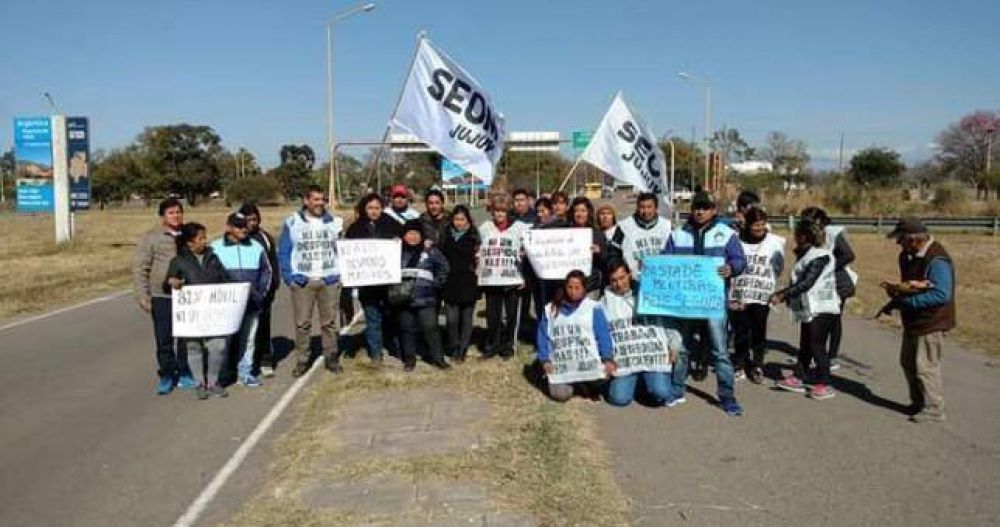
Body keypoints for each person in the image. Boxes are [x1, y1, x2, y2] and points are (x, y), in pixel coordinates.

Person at [661, 191, 746, 416]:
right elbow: (664, 260)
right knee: (682, 347)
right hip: (684, 303)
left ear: (714, 210)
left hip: (714, 301)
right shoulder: (678, 234)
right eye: (697, 207)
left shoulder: (726, 234)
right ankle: (677, 390)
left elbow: (739, 260)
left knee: (720, 350)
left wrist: (731, 268)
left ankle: (727, 397)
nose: (700, 211)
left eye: (705, 207)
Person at [877, 218, 955, 423]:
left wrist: (908, 303)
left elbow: (941, 295)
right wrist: (895, 298)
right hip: (913, 321)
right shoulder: (907, 256)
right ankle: (919, 402)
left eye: (900, 239)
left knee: (926, 366)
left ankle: (934, 409)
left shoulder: (937, 260)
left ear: (913, 240)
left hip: (932, 322)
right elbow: (912, 286)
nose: (898, 244)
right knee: (908, 363)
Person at [277, 186, 346, 377]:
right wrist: (289, 277)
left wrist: (340, 274)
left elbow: (344, 249)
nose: (320, 203)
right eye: (315, 200)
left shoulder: (335, 222)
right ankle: (303, 360)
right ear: (306, 201)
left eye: (322, 200)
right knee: (303, 324)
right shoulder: (292, 222)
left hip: (329, 279)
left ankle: (331, 357)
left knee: (329, 323)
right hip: (303, 281)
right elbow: (284, 251)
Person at [770, 218, 839, 400]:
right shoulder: (806, 254)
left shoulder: (820, 256)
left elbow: (807, 283)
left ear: (803, 236)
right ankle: (800, 376)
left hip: (822, 308)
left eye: (797, 234)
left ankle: (825, 383)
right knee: (806, 344)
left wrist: (783, 294)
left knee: (817, 346)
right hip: (809, 308)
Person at [133, 198, 193, 395]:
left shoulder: (189, 234)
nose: (176, 216)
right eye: (171, 213)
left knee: (186, 338)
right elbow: (141, 268)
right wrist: (143, 296)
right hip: (161, 296)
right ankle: (167, 374)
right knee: (164, 339)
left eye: (178, 212)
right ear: (162, 217)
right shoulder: (151, 238)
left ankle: (185, 371)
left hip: (187, 296)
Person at [166, 222, 230, 399]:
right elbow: (169, 281)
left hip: (213, 312)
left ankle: (213, 381)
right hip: (192, 315)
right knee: (194, 347)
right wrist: (173, 282)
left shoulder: (214, 258)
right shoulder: (178, 261)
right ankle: (199, 383)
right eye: (200, 238)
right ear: (189, 242)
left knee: (218, 345)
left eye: (204, 237)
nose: (204, 241)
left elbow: (225, 279)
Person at [602, 262, 680, 406]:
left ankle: (648, 382)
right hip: (625, 362)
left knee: (661, 393)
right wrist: (606, 359)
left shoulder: (649, 293)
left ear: (629, 275)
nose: (619, 284)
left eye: (622, 278)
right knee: (619, 399)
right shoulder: (604, 303)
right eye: (614, 280)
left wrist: (674, 346)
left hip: (653, 358)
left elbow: (668, 321)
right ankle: (633, 382)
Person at [211, 212, 273, 387]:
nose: (243, 229)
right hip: (226, 305)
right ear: (229, 227)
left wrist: (260, 294)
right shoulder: (215, 248)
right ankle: (221, 375)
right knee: (224, 342)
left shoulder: (256, 247)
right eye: (238, 226)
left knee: (249, 339)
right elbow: (210, 275)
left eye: (245, 225)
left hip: (252, 303)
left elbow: (266, 273)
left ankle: (244, 372)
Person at [537, 270, 615, 402]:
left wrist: (607, 358)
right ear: (564, 287)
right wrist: (545, 360)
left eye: (577, 288)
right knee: (560, 395)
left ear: (584, 288)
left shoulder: (593, 307)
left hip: (587, 362)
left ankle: (583, 383)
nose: (573, 291)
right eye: (570, 287)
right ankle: (575, 383)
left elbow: (603, 335)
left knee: (604, 378)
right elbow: (543, 336)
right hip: (562, 365)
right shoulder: (551, 309)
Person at [728, 206, 785, 383]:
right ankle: (740, 363)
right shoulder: (736, 240)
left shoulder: (774, 242)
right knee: (741, 331)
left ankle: (757, 364)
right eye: (755, 225)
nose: (759, 228)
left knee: (759, 330)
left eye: (762, 224)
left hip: (761, 294)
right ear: (748, 225)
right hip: (740, 294)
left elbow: (778, 266)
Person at [345, 193, 403, 364]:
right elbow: (348, 253)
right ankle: (376, 353)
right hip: (367, 284)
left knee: (392, 317)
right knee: (372, 318)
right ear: (364, 208)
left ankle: (396, 348)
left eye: (377, 208)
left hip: (389, 283)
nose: (374, 211)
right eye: (370, 208)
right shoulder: (355, 228)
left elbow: (406, 240)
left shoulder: (392, 224)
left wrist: (397, 241)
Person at [801, 207, 857, 371]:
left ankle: (831, 357)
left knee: (832, 320)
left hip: (839, 283)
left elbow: (849, 255)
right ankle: (817, 354)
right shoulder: (811, 234)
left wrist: (829, 266)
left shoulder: (832, 232)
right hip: (823, 282)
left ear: (818, 220)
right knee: (818, 318)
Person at [391, 220, 451, 371]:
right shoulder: (396, 251)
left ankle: (438, 358)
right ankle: (409, 359)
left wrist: (435, 285)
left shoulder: (430, 251)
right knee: (407, 328)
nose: (413, 237)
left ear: (421, 236)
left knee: (430, 327)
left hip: (426, 298)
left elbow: (444, 267)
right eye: (409, 233)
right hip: (403, 297)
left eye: (416, 234)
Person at [478, 193, 530, 359]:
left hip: (512, 278)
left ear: (508, 211)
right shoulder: (484, 228)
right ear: (492, 211)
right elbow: (478, 248)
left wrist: (524, 274)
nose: (499, 214)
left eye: (503, 211)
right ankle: (492, 345)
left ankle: (508, 346)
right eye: (496, 211)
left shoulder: (520, 227)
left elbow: (530, 250)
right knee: (493, 316)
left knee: (512, 315)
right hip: (492, 278)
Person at [240, 203, 279, 378]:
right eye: (248, 220)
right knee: (243, 330)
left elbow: (272, 265)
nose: (252, 223)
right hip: (241, 294)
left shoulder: (265, 238)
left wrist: (273, 286)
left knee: (263, 327)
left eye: (255, 219)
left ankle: (265, 360)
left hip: (263, 293)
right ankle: (242, 363)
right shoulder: (236, 237)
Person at [440, 205, 481, 362]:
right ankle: (454, 345)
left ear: (468, 220)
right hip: (450, 282)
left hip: (468, 282)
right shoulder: (445, 235)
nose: (459, 222)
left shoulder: (474, 237)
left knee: (466, 318)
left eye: (462, 219)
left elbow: (480, 258)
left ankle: (462, 348)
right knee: (451, 319)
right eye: (456, 219)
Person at [607, 192, 673, 280]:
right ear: (637, 208)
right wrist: (622, 271)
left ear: (656, 208)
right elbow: (613, 254)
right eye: (642, 207)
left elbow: (674, 254)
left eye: (649, 207)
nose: (645, 211)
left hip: (661, 280)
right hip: (634, 281)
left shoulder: (667, 226)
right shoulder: (624, 226)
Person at [569, 197, 607, 298]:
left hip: (590, 287)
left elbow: (605, 260)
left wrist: (599, 252)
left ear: (589, 212)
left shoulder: (597, 233)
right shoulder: (565, 233)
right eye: (576, 211)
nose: (579, 214)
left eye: (583, 210)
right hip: (569, 287)